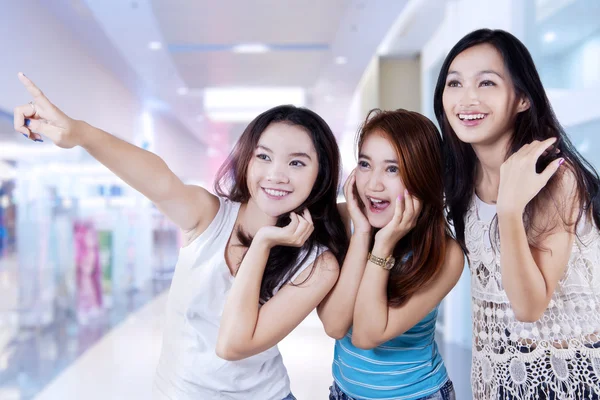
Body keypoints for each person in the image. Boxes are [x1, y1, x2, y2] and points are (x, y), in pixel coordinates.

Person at [13, 72, 348, 400]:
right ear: (247, 160)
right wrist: (81, 134)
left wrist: (262, 243)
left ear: (321, 174)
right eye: (264, 156)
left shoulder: (318, 264)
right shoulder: (210, 214)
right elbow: (160, 180)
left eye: (297, 163)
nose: (276, 175)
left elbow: (234, 344)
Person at [434, 28, 600, 399]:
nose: (467, 99)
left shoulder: (555, 176)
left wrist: (509, 211)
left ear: (522, 98)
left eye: (487, 83)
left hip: (574, 376)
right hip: (499, 377)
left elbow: (528, 307)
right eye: (454, 83)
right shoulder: (459, 180)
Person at [318, 109, 464, 400]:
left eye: (392, 169)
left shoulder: (445, 253)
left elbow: (367, 335)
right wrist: (361, 235)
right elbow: (335, 325)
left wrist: (382, 246)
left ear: (422, 176)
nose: (373, 184)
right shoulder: (343, 222)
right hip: (343, 393)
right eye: (365, 164)